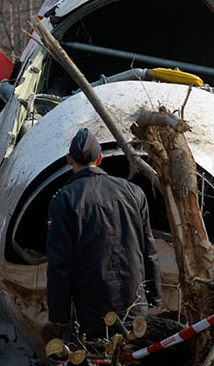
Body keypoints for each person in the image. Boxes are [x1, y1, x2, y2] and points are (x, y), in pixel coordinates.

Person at [46, 128, 162, 340]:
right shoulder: (133, 191)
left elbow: (59, 265)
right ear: (100, 158)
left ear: (69, 159)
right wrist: (154, 294)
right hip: (135, 301)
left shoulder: (63, 200)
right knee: (137, 358)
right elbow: (149, 248)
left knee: (99, 362)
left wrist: (61, 316)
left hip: (93, 310)